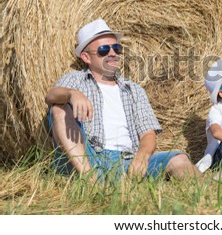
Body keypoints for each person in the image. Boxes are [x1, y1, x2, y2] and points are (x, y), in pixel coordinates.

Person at [45, 18, 201, 181]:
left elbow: (148, 134)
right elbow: (51, 97)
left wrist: (142, 156)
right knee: (59, 108)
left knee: (179, 160)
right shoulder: (75, 80)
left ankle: (207, 196)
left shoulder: (134, 90)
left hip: (127, 161)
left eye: (116, 48)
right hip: (85, 158)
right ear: (86, 57)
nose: (112, 53)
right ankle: (91, 181)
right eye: (104, 49)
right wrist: (72, 94)